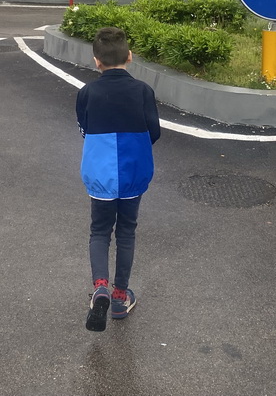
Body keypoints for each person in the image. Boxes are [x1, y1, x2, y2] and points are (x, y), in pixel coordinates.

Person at [76, 26, 161, 332]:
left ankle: (99, 287)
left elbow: (83, 128)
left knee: (99, 231)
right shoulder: (143, 91)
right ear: (129, 56)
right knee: (126, 232)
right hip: (133, 173)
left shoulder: (86, 93)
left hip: (100, 175)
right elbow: (155, 132)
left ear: (96, 61)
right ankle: (120, 297)